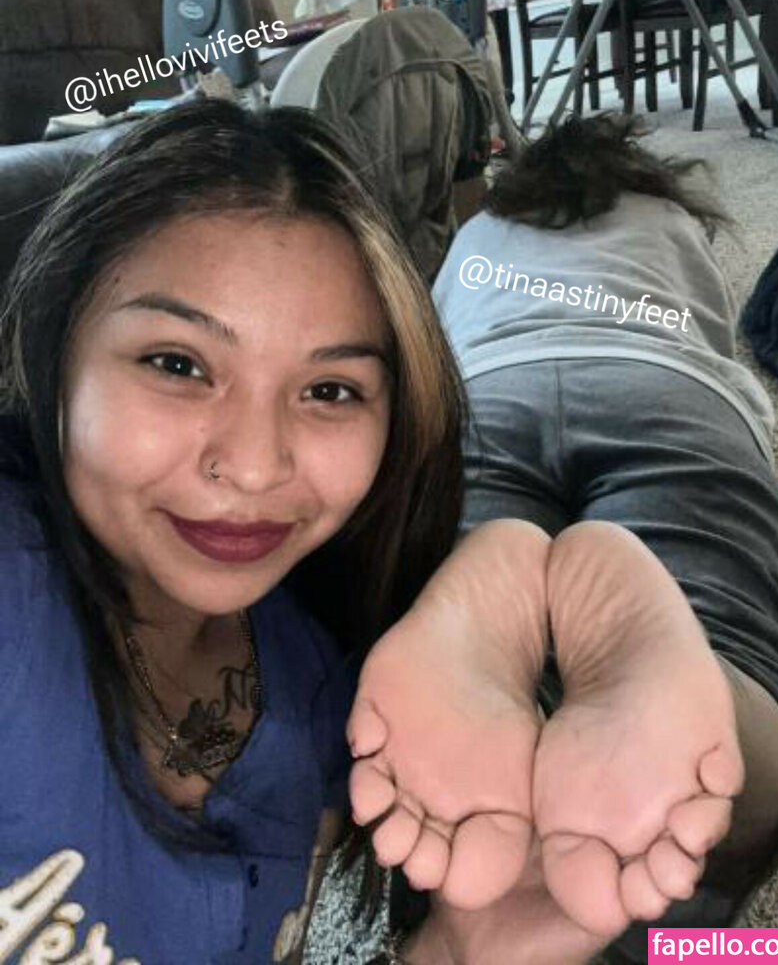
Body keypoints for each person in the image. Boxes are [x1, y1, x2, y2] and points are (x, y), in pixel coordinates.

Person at [0, 97, 472, 964]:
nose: (255, 467)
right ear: (53, 354)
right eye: (178, 364)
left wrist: (468, 952)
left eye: (330, 390)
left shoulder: (331, 693)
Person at [346, 114, 778, 964]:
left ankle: (493, 625)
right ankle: (698, 686)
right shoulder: (668, 223)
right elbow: (713, 339)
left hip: (488, 393)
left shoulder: (479, 234)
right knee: (724, 639)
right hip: (668, 390)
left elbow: (431, 358)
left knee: (445, 561)